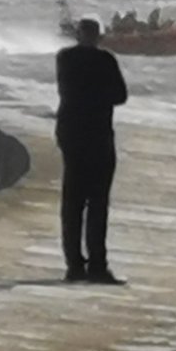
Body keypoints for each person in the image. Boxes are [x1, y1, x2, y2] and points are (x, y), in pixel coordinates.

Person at [55, 17, 128, 284]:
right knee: (97, 203)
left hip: (71, 133)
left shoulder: (64, 58)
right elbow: (121, 96)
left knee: (72, 203)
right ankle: (97, 265)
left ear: (77, 35)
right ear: (98, 37)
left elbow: (67, 89)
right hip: (97, 135)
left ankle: (74, 265)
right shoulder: (105, 60)